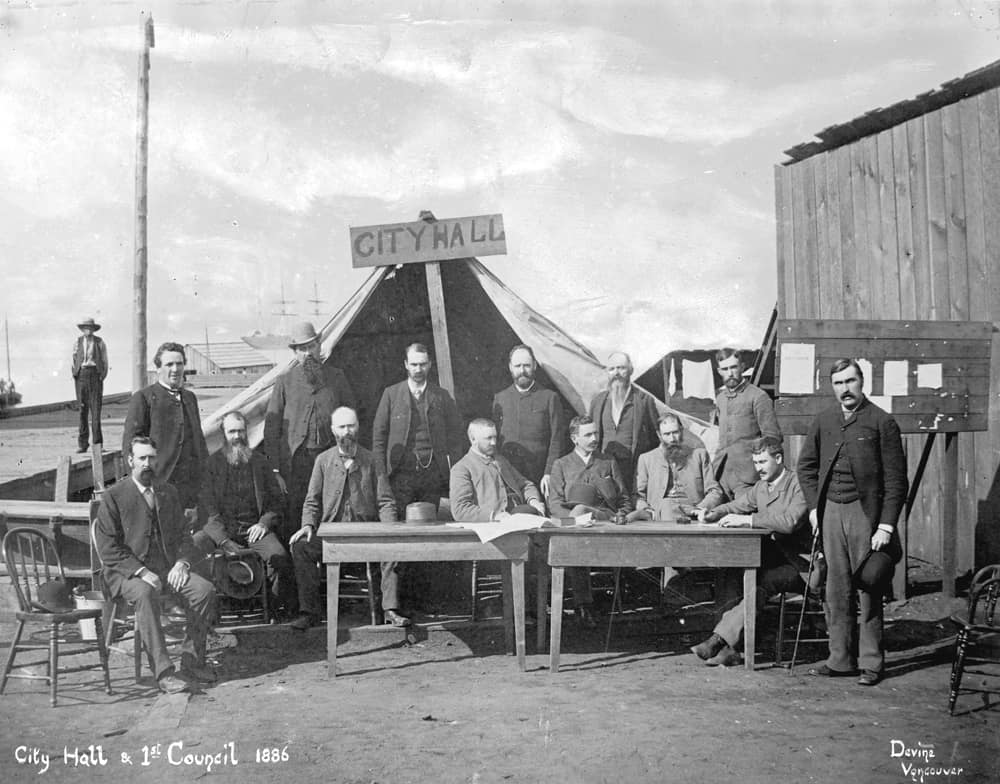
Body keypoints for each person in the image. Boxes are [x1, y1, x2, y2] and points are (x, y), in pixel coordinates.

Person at [797, 358, 907, 686]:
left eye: (850, 381)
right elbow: (806, 467)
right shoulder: (824, 420)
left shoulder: (882, 422)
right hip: (830, 513)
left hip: (865, 514)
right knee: (836, 589)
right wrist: (816, 509)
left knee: (869, 588)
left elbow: (897, 480)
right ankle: (840, 659)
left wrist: (886, 525)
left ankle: (872, 662)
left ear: (862, 382)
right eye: (838, 383)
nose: (845, 389)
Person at [94, 437, 217, 694]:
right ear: (130, 461)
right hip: (125, 574)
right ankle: (164, 672)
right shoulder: (114, 497)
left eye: (151, 458)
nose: (147, 464)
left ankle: (192, 661)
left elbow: (185, 536)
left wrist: (182, 563)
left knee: (204, 590)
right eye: (141, 459)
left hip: (166, 571)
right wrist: (141, 572)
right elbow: (108, 550)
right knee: (145, 592)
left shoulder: (167, 492)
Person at [690, 437, 810, 666]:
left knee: (759, 583)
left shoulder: (798, 484)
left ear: (779, 458)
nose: (758, 468)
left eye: (763, 462)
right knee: (730, 573)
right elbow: (737, 506)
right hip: (772, 557)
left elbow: (790, 522)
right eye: (755, 462)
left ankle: (719, 640)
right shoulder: (761, 487)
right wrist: (712, 512)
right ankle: (731, 648)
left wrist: (748, 521)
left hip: (799, 563)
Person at [289, 407, 402, 630]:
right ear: (333, 430)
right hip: (332, 537)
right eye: (342, 427)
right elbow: (312, 500)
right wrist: (308, 525)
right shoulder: (323, 461)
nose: (347, 431)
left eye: (351, 426)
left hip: (365, 535)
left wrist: (389, 529)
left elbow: (386, 501)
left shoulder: (372, 460)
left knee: (394, 547)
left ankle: (390, 609)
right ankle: (309, 613)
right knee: (301, 547)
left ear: (358, 427)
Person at [196, 411, 297, 617]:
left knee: (279, 557)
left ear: (247, 432)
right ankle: (204, 614)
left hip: (254, 530)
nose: (236, 436)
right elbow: (208, 509)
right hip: (221, 531)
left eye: (241, 431)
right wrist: (223, 540)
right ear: (223, 434)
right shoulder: (212, 465)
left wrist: (263, 524)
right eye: (231, 431)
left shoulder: (261, 462)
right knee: (193, 546)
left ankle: (274, 612)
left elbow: (276, 501)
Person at [263, 321, 356, 542]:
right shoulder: (284, 382)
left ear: (319, 345)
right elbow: (271, 429)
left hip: (330, 459)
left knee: (330, 511)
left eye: (311, 346)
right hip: (296, 464)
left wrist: (349, 455)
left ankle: (330, 568)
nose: (307, 353)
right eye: (302, 349)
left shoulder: (337, 377)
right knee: (297, 515)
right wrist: (275, 470)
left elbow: (351, 416)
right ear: (295, 352)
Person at [548, 415, 631, 627]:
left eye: (596, 433)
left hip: (606, 526)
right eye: (588, 435)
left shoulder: (607, 461)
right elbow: (555, 504)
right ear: (575, 438)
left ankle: (587, 605)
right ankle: (584, 606)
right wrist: (570, 522)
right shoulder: (561, 465)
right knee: (575, 542)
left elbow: (623, 499)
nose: (594, 438)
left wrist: (621, 516)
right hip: (576, 528)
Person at [372, 342, 464, 511]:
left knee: (430, 522)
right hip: (400, 475)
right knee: (400, 524)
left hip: (432, 475)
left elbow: (455, 437)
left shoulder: (441, 396)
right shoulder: (391, 394)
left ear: (429, 365)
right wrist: (381, 475)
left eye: (422, 364)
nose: (418, 369)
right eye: (414, 364)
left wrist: (455, 475)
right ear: (406, 364)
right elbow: (379, 438)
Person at [122, 342, 208, 510]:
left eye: (179, 364)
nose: (175, 369)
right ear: (158, 368)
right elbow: (130, 446)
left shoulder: (190, 398)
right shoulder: (144, 398)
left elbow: (199, 442)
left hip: (189, 485)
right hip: (159, 482)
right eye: (169, 364)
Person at [491, 344, 567, 498]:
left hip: (540, 475)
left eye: (526, 365)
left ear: (534, 366)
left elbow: (557, 439)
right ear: (510, 368)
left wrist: (549, 472)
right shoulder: (501, 398)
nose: (522, 371)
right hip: (509, 475)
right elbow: (495, 439)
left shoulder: (549, 397)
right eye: (517, 366)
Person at [713, 348, 782, 500]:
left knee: (741, 520)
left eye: (734, 367)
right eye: (725, 369)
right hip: (721, 475)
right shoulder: (720, 398)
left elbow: (773, 437)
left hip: (748, 477)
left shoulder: (758, 396)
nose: (730, 373)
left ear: (742, 367)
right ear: (719, 371)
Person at [630, 413, 724, 521]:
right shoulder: (646, 459)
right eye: (667, 434)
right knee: (667, 506)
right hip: (661, 512)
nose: (672, 438)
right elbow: (637, 496)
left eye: (675, 432)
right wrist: (647, 510)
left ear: (682, 431)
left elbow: (715, 491)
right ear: (659, 435)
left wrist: (701, 508)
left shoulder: (699, 455)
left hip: (693, 511)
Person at [588, 351, 660, 492]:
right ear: (607, 372)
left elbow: (655, 438)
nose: (616, 373)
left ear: (631, 370)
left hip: (634, 471)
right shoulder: (598, 401)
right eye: (612, 369)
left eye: (621, 368)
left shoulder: (644, 400)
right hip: (606, 472)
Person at [450, 418, 546, 522]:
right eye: (488, 438)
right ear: (473, 439)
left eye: (495, 437)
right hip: (494, 527)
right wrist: (494, 516)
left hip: (521, 517)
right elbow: (460, 509)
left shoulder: (501, 460)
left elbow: (525, 485)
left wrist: (534, 501)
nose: (494, 442)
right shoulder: (462, 468)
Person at [71, 317, 108, 454]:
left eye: (90, 328)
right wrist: (76, 373)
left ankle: (97, 444)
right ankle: (82, 444)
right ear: (82, 329)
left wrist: (101, 376)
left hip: (95, 375)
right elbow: (73, 359)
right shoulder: (78, 342)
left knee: (96, 411)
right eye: (85, 328)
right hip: (82, 376)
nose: (88, 330)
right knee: (82, 411)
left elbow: (105, 361)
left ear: (93, 329)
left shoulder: (100, 342)